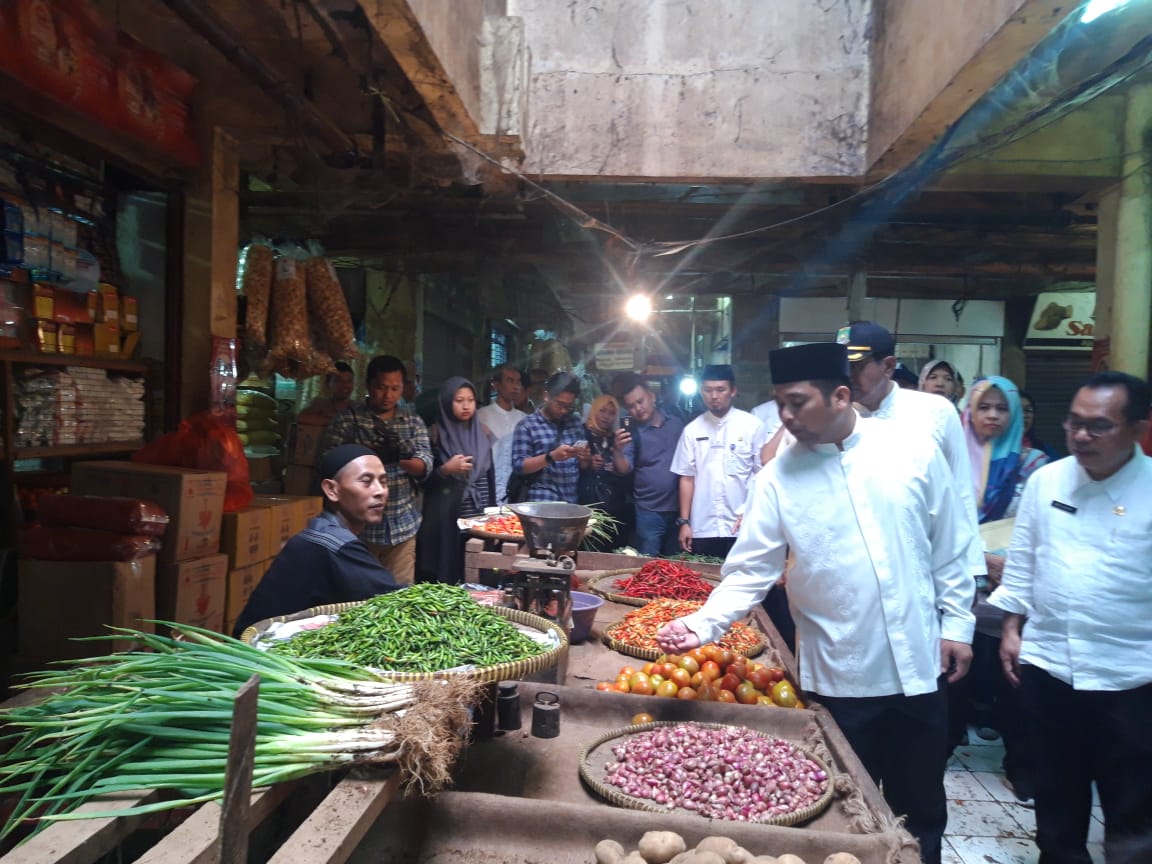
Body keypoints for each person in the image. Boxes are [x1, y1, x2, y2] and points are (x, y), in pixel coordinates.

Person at [656, 343, 974, 864]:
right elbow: (751, 570)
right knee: (846, 817)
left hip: (920, 666)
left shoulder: (911, 450)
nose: (785, 416)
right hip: (841, 676)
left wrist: (958, 622)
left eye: (797, 402)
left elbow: (952, 542)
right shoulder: (776, 479)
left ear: (841, 395)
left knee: (922, 811)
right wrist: (703, 624)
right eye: (779, 402)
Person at [990, 371, 1152, 864]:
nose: (1081, 436)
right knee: (1057, 805)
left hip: (1131, 679)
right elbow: (1022, 565)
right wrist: (1012, 626)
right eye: (1074, 423)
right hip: (1050, 668)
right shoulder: (1047, 481)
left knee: (1133, 813)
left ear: (1138, 428)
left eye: (1098, 426)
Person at [956, 375, 1049, 798]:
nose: (992, 416)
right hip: (961, 587)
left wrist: (1005, 564)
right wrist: (981, 558)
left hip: (1016, 588)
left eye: (1001, 408)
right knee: (957, 673)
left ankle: (1022, 766)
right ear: (968, 412)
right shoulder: (950, 459)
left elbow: (1040, 528)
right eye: (983, 407)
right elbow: (938, 522)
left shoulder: (1035, 465)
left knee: (1018, 682)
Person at [840, 322, 985, 581]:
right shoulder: (835, 417)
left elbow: (960, 491)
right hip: (854, 560)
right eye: (842, 366)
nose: (847, 375)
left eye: (857, 366)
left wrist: (971, 570)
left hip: (922, 555)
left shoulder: (934, 411)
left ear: (888, 366)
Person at [232, 444, 398, 636]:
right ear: (331, 490)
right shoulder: (335, 545)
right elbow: (394, 601)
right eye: (366, 481)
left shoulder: (323, 531)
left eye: (383, 482)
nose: (380, 491)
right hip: (261, 651)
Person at [320, 355, 432, 585]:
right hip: (357, 532)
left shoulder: (412, 421)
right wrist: (364, 455)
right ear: (369, 386)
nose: (388, 395)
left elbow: (425, 464)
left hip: (402, 529)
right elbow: (326, 463)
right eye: (381, 387)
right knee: (359, 597)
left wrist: (398, 459)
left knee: (401, 599)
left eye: (395, 388)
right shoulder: (348, 420)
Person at [671, 364, 768, 559]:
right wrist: (684, 522)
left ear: (733, 391)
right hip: (703, 525)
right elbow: (687, 478)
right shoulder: (692, 430)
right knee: (705, 581)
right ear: (701, 391)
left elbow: (762, 474)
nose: (714, 396)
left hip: (742, 524)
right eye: (708, 390)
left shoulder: (752, 426)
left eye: (720, 389)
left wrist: (753, 511)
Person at [416, 378, 495, 584]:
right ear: (446, 402)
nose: (466, 405)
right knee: (447, 575)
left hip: (479, 518)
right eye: (459, 400)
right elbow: (422, 482)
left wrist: (492, 517)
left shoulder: (483, 433)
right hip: (446, 521)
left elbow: (489, 478)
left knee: (477, 574)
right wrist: (446, 470)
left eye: (471, 400)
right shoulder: (433, 435)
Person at [616, 373, 686, 557]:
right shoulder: (632, 433)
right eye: (631, 406)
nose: (638, 408)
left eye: (641, 401)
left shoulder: (677, 425)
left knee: (677, 566)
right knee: (648, 565)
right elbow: (625, 469)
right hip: (648, 511)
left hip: (678, 510)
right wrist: (616, 450)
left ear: (652, 397)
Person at [508, 371, 586, 503]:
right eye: (560, 404)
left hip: (571, 502)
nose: (563, 410)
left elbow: (582, 466)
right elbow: (519, 465)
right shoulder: (527, 425)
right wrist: (551, 457)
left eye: (569, 406)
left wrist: (585, 457)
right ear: (546, 396)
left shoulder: (575, 422)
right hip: (541, 503)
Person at [577, 394, 633, 549]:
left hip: (613, 508)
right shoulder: (581, 433)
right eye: (602, 411)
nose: (606, 416)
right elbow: (574, 466)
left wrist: (614, 460)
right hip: (587, 504)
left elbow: (625, 471)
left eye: (611, 412)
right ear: (594, 411)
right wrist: (589, 463)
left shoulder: (616, 438)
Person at [477, 364, 527, 504]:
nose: (516, 386)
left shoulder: (524, 419)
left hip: (514, 492)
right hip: (486, 489)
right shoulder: (481, 416)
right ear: (496, 384)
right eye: (510, 381)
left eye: (518, 382)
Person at [1019, 389, 1060, 461]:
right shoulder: (994, 448)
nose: (1024, 415)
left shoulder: (1045, 450)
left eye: (1028, 410)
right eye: (1018, 410)